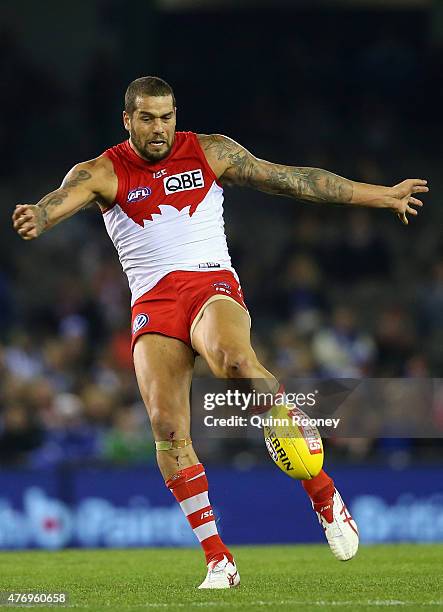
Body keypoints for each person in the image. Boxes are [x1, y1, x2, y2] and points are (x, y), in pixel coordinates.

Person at [12, 76, 428, 589]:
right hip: (154, 303)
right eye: (148, 118)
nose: (160, 128)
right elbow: (59, 200)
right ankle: (219, 560)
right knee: (167, 428)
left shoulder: (210, 152)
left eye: (167, 117)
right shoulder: (102, 171)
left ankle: (324, 496)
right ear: (128, 120)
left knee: (234, 362)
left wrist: (381, 196)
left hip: (210, 283)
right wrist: (39, 215)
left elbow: (295, 179)